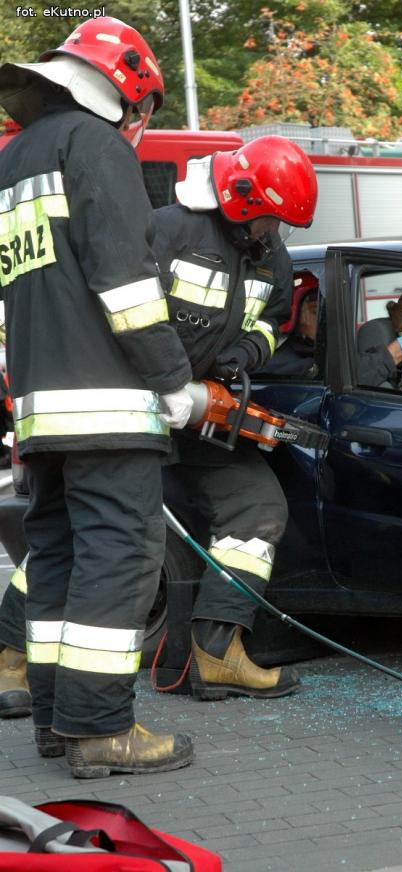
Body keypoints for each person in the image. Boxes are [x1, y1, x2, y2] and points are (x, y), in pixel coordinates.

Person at [0, 18, 196, 777]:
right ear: (125, 93)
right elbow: (126, 284)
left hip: (40, 412)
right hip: (109, 405)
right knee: (119, 558)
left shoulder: (14, 160)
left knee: (55, 558)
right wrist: (172, 379)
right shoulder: (97, 146)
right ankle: (100, 729)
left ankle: (55, 720)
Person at [156, 135, 318, 700]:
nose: (276, 232)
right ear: (241, 199)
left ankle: (217, 651)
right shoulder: (165, 232)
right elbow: (124, 317)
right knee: (92, 534)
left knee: (256, 507)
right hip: (136, 409)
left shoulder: (269, 254)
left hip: (198, 413)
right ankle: (13, 662)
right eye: (271, 219)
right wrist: (163, 384)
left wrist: (246, 353)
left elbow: (274, 320)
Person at [260, 271, 320, 378]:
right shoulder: (290, 366)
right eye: (315, 312)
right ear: (295, 316)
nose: (322, 320)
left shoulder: (319, 353)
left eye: (325, 311)